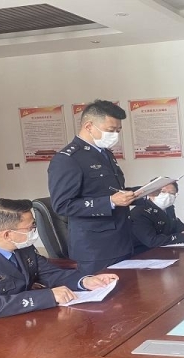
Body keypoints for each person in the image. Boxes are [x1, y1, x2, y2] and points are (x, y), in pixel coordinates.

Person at [0, 199, 119, 333]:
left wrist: (85, 281)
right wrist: (48, 296)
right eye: (31, 227)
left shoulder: (21, 246)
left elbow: (49, 273)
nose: (34, 231)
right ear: (7, 234)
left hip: (7, 323)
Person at [48, 99, 139, 274]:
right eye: (110, 130)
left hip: (121, 240)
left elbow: (112, 192)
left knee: (130, 288)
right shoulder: (68, 159)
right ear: (89, 126)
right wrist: (110, 202)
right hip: (95, 248)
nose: (115, 135)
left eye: (118, 131)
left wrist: (144, 192)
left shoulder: (105, 154)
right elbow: (62, 205)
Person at [131, 181, 184, 254]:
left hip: (164, 250)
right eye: (163, 192)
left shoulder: (169, 208)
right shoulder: (139, 212)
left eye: (172, 193)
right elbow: (152, 241)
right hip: (143, 254)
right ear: (151, 193)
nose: (167, 196)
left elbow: (176, 225)